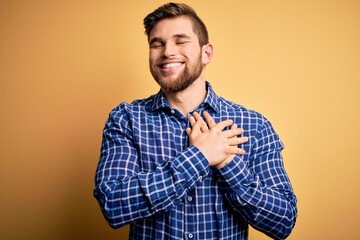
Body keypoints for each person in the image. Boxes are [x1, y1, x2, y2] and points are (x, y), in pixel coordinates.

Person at [94, 2, 297, 240]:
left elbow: (283, 222)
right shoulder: (126, 119)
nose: (167, 52)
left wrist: (228, 163)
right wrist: (199, 156)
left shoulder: (253, 124)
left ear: (206, 53)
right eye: (157, 44)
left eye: (181, 41)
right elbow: (113, 204)